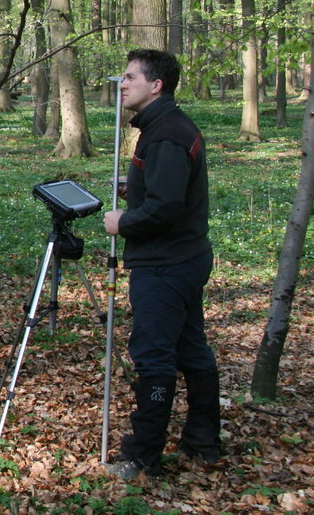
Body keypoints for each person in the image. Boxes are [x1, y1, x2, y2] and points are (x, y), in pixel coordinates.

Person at [103, 49, 220, 479]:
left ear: (156, 86)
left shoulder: (167, 133)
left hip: (166, 264)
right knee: (192, 350)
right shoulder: (165, 127)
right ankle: (203, 442)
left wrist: (123, 222)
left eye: (130, 77)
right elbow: (166, 189)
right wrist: (135, 187)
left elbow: (166, 208)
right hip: (184, 258)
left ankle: (141, 457)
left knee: (154, 357)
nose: (123, 84)